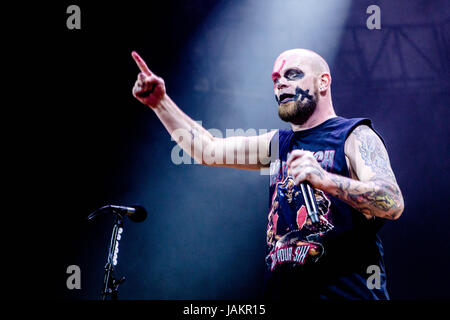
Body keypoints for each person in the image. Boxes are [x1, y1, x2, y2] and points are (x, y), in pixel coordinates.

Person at [131, 48, 404, 300]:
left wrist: (326, 179)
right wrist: (160, 103)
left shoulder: (353, 135)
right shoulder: (278, 144)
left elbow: (392, 202)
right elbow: (207, 150)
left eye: (292, 74)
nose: (280, 83)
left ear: (323, 82)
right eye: (276, 78)